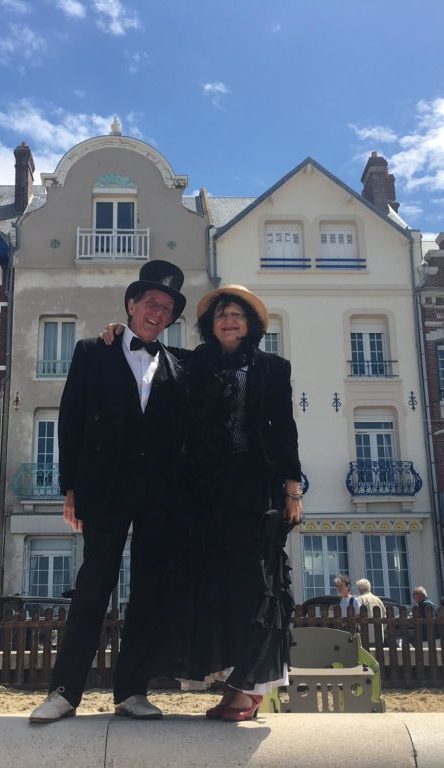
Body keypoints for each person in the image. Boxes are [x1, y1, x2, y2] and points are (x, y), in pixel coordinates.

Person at [29, 260, 187, 725]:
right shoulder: (90, 351)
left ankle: (132, 691)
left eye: (168, 308)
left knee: (147, 592)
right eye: (152, 303)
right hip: (105, 489)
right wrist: (70, 487)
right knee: (93, 587)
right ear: (132, 305)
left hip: (158, 496)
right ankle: (63, 692)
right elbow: (70, 419)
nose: (159, 313)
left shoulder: (179, 366)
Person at [157, 285, 302, 722]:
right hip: (204, 493)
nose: (229, 320)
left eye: (238, 314)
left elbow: (284, 431)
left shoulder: (273, 368)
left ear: (251, 323)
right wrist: (115, 333)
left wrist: (292, 488)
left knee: (252, 584)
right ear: (210, 323)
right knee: (211, 586)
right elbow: (149, 355)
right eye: (222, 313)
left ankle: (249, 689)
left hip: (253, 489)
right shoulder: (192, 362)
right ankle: (234, 686)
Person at [356, 578, 386, 647]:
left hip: (365, 637)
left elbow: (356, 618)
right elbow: (385, 618)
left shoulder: (359, 599)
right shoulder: (378, 600)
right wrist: (381, 630)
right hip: (378, 637)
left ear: (359, 589)